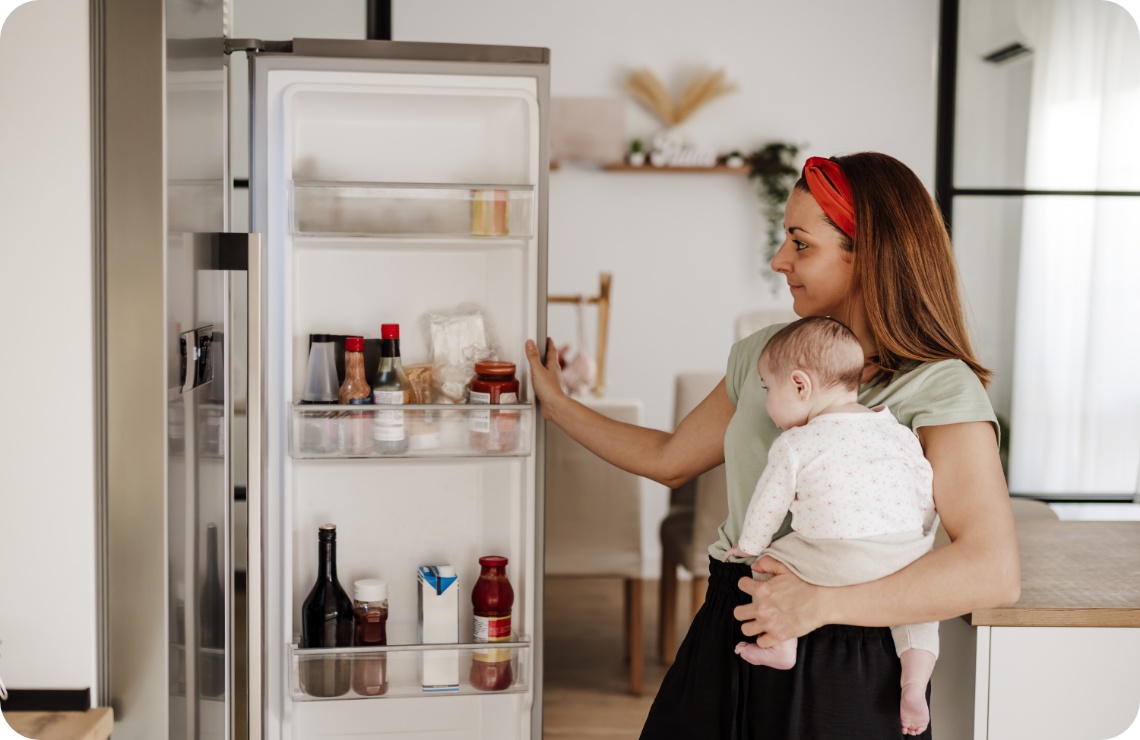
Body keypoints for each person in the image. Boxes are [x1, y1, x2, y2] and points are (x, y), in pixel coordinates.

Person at [525, 152, 1020, 739]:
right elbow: (669, 459)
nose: (779, 259)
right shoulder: (769, 355)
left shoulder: (937, 385)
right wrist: (557, 405)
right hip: (732, 618)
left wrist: (818, 605)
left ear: (871, 255)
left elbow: (992, 569)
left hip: (851, 655)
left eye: (800, 243)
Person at [721, 315, 939, 736]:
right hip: (902, 553)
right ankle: (914, 683)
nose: (766, 401)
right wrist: (917, 537)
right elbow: (923, 482)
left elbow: (769, 503)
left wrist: (749, 546)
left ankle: (782, 645)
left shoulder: (795, 443)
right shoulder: (894, 429)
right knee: (918, 614)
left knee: (772, 564)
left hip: (833, 559)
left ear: (800, 385)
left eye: (768, 388)